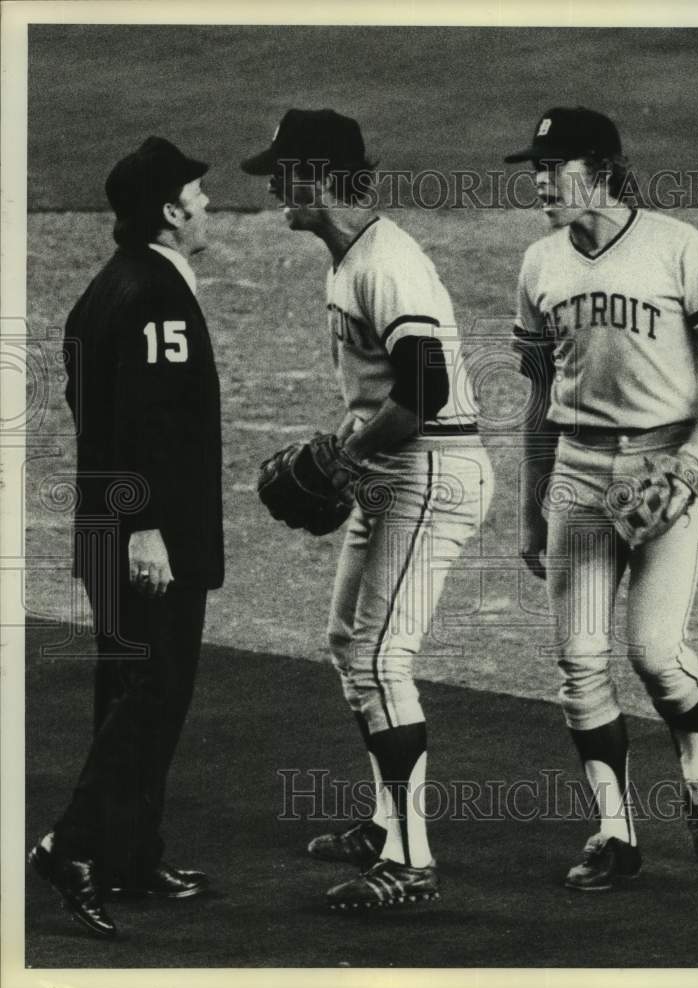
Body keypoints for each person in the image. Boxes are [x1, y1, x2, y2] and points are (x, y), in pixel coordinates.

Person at [242, 109, 494, 908]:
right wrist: (355, 452)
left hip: (429, 471)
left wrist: (347, 457)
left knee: (382, 660)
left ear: (319, 176)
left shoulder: (386, 263)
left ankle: (411, 862)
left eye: (284, 175)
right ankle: (387, 825)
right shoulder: (350, 259)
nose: (274, 189)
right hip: (395, 467)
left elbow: (427, 389)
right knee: (349, 644)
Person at [504, 107, 698, 890]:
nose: (540, 182)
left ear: (602, 171)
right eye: (536, 169)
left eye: (554, 168)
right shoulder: (538, 264)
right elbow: (537, 398)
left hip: (662, 466)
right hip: (577, 470)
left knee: (652, 652)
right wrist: (530, 503)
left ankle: (697, 760)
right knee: (578, 659)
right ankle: (614, 832)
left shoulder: (675, 246)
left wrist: (689, 459)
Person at [29, 137, 224, 938]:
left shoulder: (109, 285)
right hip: (149, 536)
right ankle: (72, 846)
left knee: (129, 688)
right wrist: (144, 526)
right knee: (153, 691)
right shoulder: (153, 296)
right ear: (170, 212)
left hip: (108, 527)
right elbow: (142, 420)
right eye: (197, 196)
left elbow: (95, 409)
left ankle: (131, 857)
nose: (209, 205)